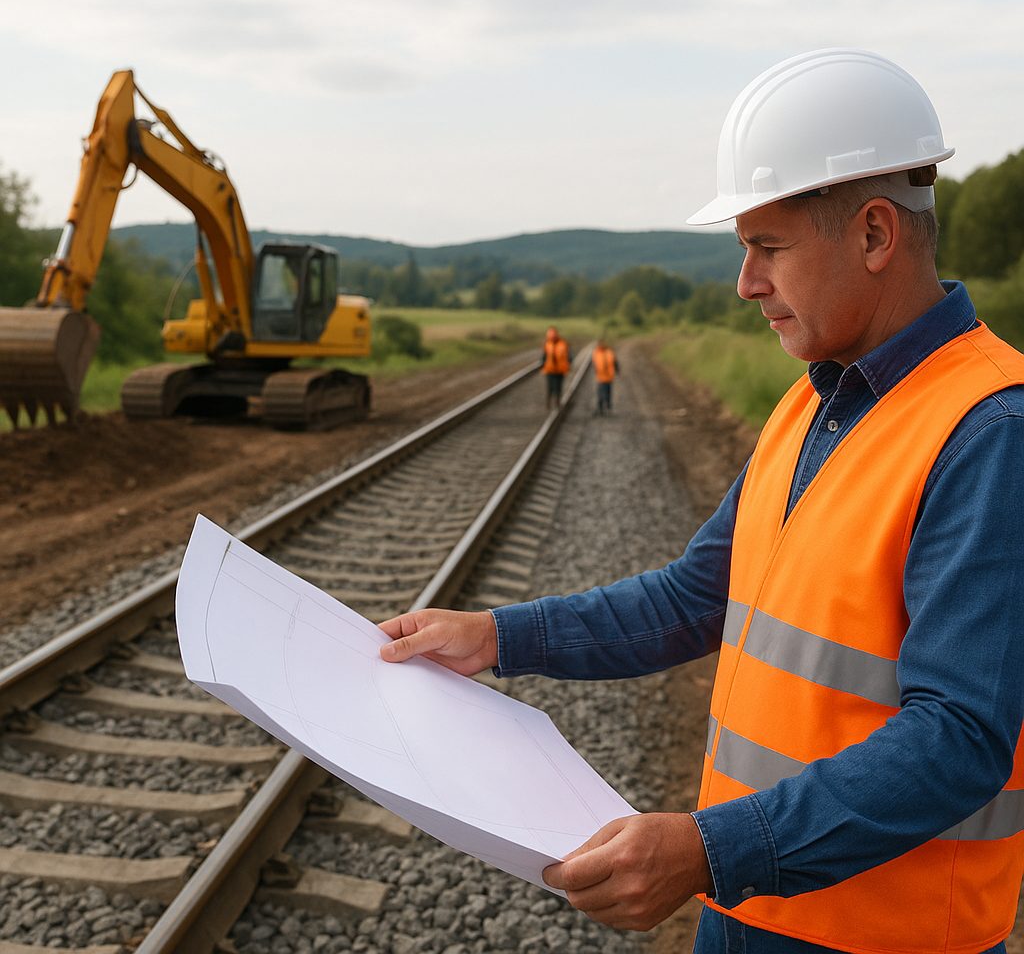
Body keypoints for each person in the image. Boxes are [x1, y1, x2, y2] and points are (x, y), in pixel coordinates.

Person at [377, 48, 1024, 953]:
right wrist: (496, 637)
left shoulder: (991, 432)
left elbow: (958, 739)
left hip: (881, 937)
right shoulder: (814, 401)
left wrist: (707, 849)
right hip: (746, 908)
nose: (745, 283)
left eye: (768, 248)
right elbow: (696, 597)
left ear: (875, 235)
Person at [541, 325, 572, 409]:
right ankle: (548, 404)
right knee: (550, 387)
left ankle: (557, 403)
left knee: (558, 387)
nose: (552, 337)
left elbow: (568, 356)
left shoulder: (563, 343)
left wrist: (568, 367)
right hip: (549, 369)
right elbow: (544, 357)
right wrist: (543, 367)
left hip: (560, 370)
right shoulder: (547, 344)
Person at [591, 338, 619, 414]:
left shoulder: (609, 352)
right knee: (600, 393)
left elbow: (615, 362)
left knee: (607, 392)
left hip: (609, 376)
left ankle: (607, 405)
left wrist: (617, 370)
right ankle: (600, 407)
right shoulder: (596, 353)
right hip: (600, 377)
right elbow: (594, 363)